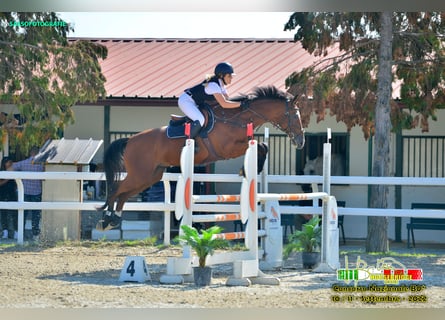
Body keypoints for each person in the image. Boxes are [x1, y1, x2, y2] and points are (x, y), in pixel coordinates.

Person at [178, 62, 246, 138]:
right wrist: (241, 104)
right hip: (186, 101)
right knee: (201, 120)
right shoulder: (213, 86)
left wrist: (240, 104)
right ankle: (188, 142)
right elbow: (224, 104)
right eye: (229, 76)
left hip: (195, 102)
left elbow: (228, 99)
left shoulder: (221, 85)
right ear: (221, 76)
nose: (231, 78)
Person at [12, 146, 44, 241]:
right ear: (38, 153)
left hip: (24, 192)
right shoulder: (41, 165)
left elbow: (12, 167)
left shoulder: (23, 163)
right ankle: (35, 235)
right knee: (36, 215)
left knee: (23, 213)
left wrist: (15, 180)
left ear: (31, 153)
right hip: (36, 192)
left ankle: (20, 234)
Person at [0, 156, 18, 240]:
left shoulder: (14, 171)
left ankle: (15, 232)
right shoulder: (1, 172)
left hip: (12, 195)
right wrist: (7, 177)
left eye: (11, 162)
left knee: (14, 214)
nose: (10, 164)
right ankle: (5, 232)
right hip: (2, 194)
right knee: (3, 214)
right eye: (8, 162)